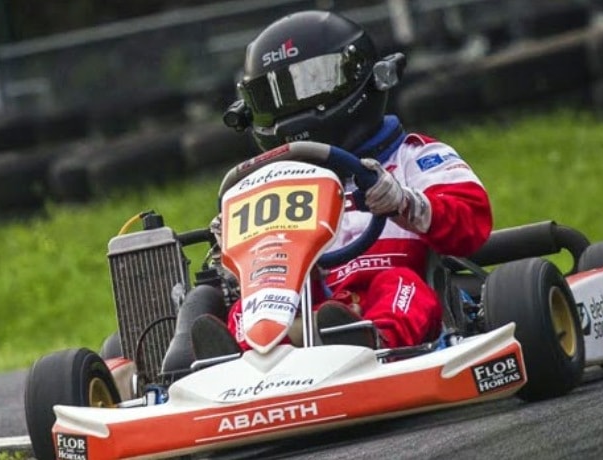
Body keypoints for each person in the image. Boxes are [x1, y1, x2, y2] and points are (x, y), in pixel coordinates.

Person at [191, 10, 493, 359]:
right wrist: (236, 246)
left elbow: (472, 223)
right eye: (277, 95)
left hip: (394, 292)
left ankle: (370, 343)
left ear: (364, 77)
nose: (294, 107)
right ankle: (237, 361)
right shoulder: (271, 185)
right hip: (304, 304)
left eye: (312, 82)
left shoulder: (413, 156)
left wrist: (404, 203)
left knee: (400, 285)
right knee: (250, 310)